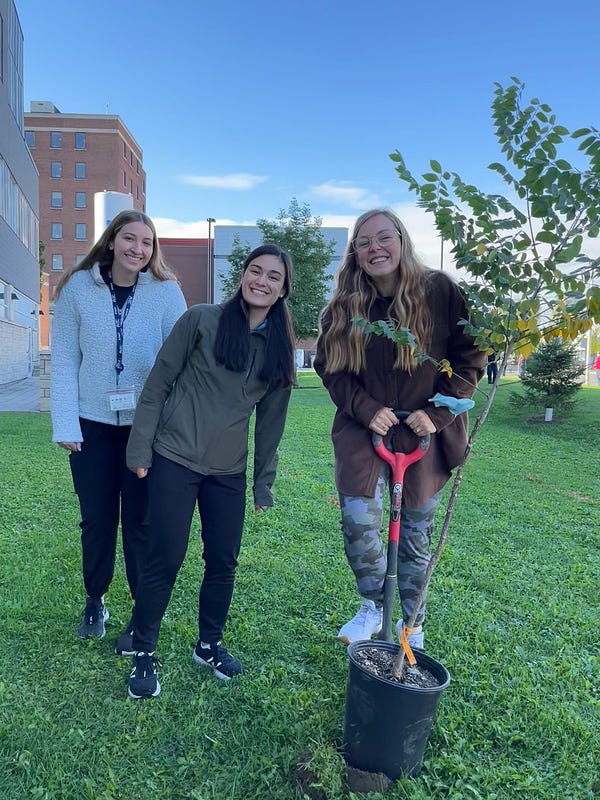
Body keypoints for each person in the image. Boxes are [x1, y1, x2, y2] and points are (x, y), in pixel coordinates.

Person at [125, 244, 296, 698]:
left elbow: (271, 423)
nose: (261, 281)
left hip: (227, 472)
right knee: (165, 556)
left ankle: (209, 644)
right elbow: (158, 383)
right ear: (242, 276)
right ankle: (143, 650)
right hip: (174, 457)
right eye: (255, 271)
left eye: (273, 277)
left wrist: (263, 483)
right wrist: (140, 449)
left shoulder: (279, 348)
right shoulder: (201, 319)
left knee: (223, 560)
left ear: (282, 290)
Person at [314, 209, 485, 650]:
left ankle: (412, 624)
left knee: (414, 538)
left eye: (384, 238)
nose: (375, 249)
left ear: (402, 240)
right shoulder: (344, 307)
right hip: (364, 433)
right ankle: (374, 605)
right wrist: (367, 409)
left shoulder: (439, 291)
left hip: (423, 436)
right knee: (359, 524)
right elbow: (329, 369)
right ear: (355, 253)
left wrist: (439, 413)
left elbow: (471, 357)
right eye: (364, 242)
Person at [51, 210, 187, 652]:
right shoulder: (78, 288)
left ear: (153, 250)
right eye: (129, 238)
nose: (138, 249)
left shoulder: (167, 293)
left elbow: (180, 362)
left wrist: (169, 424)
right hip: (91, 426)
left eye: (147, 242)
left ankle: (139, 606)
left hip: (144, 429)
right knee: (97, 518)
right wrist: (65, 422)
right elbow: (66, 359)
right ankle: (96, 598)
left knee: (141, 522)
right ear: (111, 241)